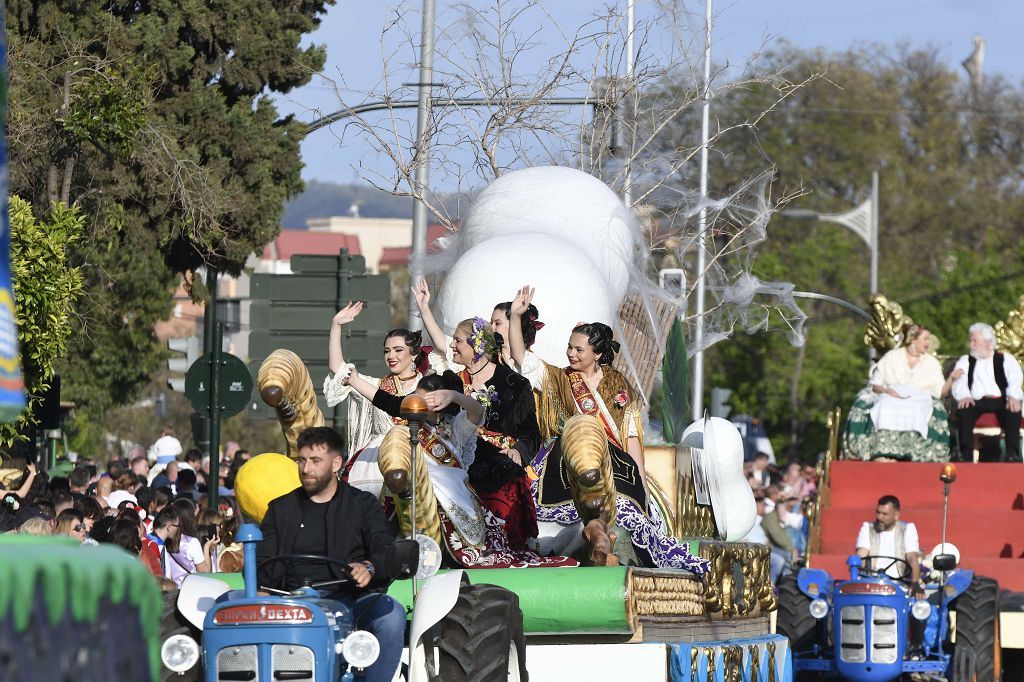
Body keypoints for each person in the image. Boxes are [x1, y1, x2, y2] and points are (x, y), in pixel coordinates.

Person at [508, 303, 705, 572]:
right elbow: (522, 358)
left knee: (628, 504)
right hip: (566, 458)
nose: (571, 354)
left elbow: (630, 434)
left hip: (614, 460)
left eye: (579, 349)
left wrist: (641, 478)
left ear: (598, 353)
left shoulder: (618, 383)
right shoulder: (560, 379)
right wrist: (517, 316)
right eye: (570, 347)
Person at [257, 427, 405, 682]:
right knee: (226, 605)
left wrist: (368, 567)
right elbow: (263, 561)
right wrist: (261, 588)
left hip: (350, 599)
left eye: (315, 461)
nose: (306, 469)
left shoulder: (362, 505)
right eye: (301, 460)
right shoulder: (279, 509)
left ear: (337, 463)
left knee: (392, 615)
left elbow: (385, 549)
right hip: (289, 601)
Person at [323, 301, 443, 495]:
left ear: (413, 355)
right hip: (377, 468)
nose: (391, 356)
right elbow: (338, 368)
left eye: (398, 350)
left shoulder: (430, 385)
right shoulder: (374, 385)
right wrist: (336, 325)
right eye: (387, 351)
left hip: (422, 466)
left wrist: (425, 309)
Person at [951, 322, 1024, 462]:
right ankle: (965, 455)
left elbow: (1015, 379)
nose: (971, 344)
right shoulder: (966, 360)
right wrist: (964, 395)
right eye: (970, 340)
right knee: (965, 410)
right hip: (976, 401)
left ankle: (1012, 454)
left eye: (974, 341)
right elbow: (960, 382)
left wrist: (1012, 396)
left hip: (1000, 399)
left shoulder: (1005, 359)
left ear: (988, 342)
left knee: (1013, 410)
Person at [855, 495, 923, 595]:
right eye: (878, 513)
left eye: (884, 514)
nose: (879, 517)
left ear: (896, 515)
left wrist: (915, 582)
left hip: (899, 585)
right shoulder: (868, 528)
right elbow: (861, 556)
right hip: (872, 585)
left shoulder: (908, 529)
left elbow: (912, 558)